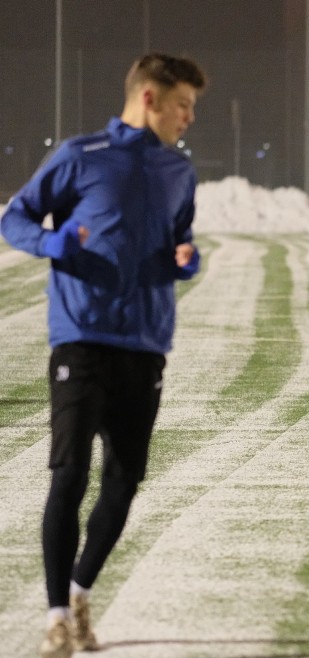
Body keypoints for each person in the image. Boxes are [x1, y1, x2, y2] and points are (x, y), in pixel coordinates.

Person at [1, 52, 207, 658]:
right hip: (81, 338)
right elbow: (14, 218)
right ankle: (57, 616)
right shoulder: (80, 156)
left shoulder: (177, 171)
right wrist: (50, 240)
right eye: (183, 106)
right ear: (149, 98)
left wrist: (186, 258)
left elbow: (180, 241)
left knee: (123, 483)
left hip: (145, 344)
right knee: (68, 475)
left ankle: (82, 590)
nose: (189, 118)